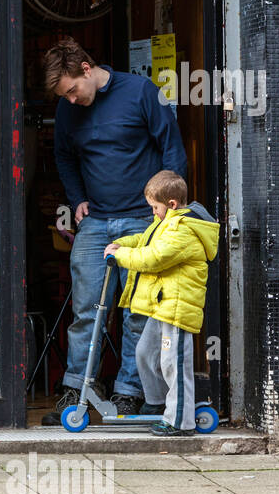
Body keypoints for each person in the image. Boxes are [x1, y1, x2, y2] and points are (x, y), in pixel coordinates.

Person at [41, 37, 187, 426]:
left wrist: (168, 211)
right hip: (97, 221)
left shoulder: (141, 92)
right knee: (86, 307)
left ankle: (130, 392)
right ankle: (78, 387)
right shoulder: (68, 109)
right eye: (64, 96)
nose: (70, 100)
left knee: (137, 311)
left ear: (86, 69)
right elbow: (63, 156)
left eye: (72, 90)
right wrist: (77, 200)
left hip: (143, 219)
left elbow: (172, 148)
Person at [105, 170, 219, 435]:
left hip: (176, 309)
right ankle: (157, 404)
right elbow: (145, 240)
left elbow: (154, 257)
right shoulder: (167, 222)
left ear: (171, 205)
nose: (153, 213)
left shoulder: (183, 230)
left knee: (174, 364)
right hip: (162, 306)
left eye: (155, 208)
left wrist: (122, 258)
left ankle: (180, 422)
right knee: (145, 353)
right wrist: (120, 245)